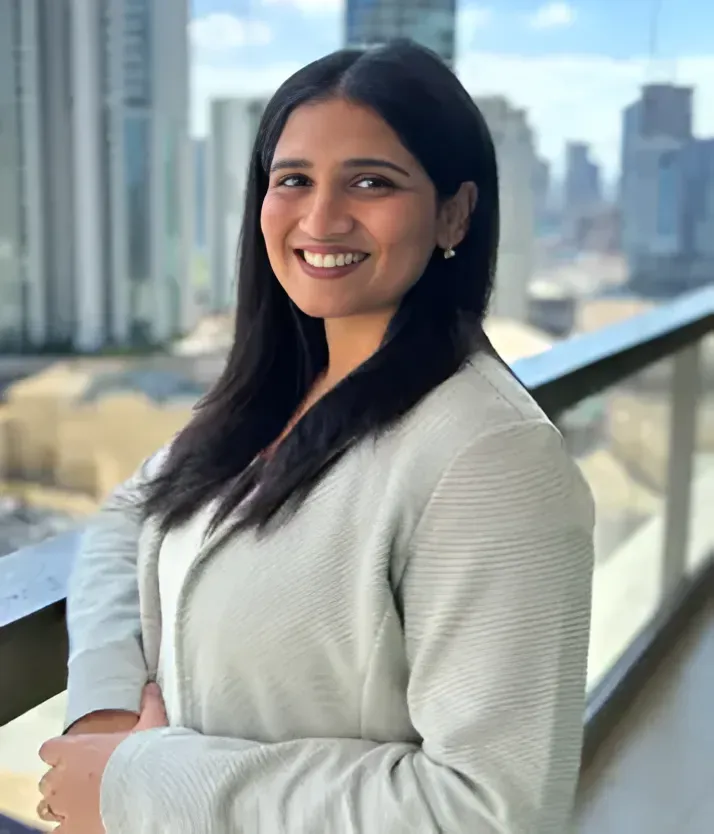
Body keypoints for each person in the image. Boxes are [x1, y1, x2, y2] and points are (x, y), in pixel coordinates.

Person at [37, 39, 594, 834]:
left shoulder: (493, 456)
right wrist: (105, 718)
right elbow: (133, 513)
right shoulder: (280, 392)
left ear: (455, 212)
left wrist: (141, 785)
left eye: (371, 181)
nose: (321, 217)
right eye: (292, 179)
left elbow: (490, 810)